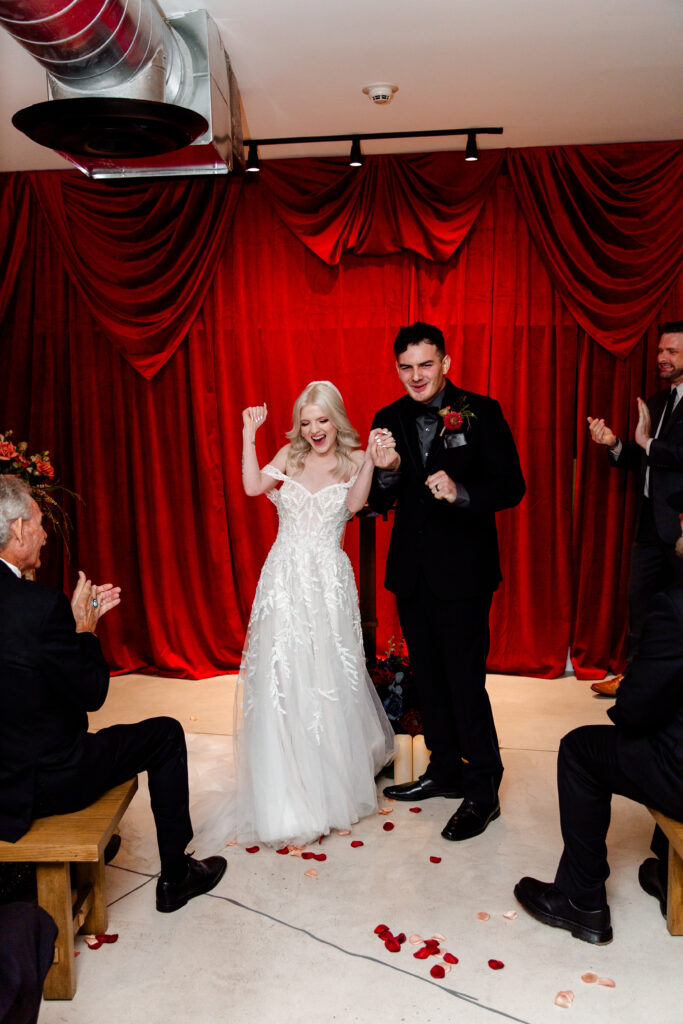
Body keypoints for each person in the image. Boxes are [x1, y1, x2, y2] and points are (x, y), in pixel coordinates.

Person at [0, 476, 226, 914]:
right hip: (44, 784)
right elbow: (93, 693)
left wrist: (62, 634)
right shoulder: (40, 606)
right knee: (165, 734)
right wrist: (84, 631)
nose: (46, 534)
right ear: (19, 530)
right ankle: (177, 877)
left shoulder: (33, 607)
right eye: (41, 523)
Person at [369, 322, 526, 842]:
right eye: (406, 366)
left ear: (447, 363)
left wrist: (461, 492)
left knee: (464, 682)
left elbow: (511, 486)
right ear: (397, 368)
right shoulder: (387, 419)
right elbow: (382, 499)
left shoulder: (483, 411)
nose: (416, 376)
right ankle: (444, 769)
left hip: (464, 571)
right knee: (428, 681)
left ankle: (483, 788)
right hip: (411, 572)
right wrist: (388, 471)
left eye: (426, 364)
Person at [514, 489, 683, 944]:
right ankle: (667, 872)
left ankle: (580, 901)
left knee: (580, 749)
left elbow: (637, 708)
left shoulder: (676, 605)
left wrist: (632, 707)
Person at [234, 380, 395, 847]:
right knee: (284, 680)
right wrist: (249, 434)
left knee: (325, 678)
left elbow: (355, 505)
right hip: (284, 580)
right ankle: (284, 795)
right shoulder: (290, 456)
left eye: (322, 420)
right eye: (305, 422)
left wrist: (370, 460)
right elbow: (251, 487)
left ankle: (328, 792)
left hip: (327, 581)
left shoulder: (352, 458)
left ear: (336, 419)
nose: (314, 429)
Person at [587, 320, 683, 696]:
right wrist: (615, 444)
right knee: (640, 604)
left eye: (671, 351)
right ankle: (635, 681)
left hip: (679, 526)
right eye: (660, 350)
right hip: (649, 526)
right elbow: (645, 458)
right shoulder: (658, 400)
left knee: (678, 611)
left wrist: (647, 443)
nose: (661, 357)